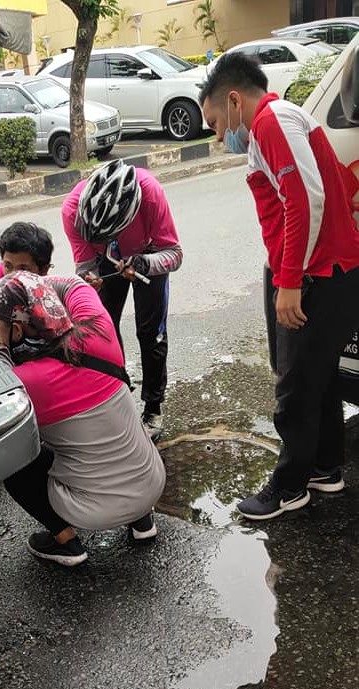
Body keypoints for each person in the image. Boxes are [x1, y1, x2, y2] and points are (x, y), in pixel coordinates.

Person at [199, 52, 359, 521]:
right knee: (319, 375)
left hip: (318, 274)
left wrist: (289, 282)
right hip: (323, 269)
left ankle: (289, 487)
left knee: (293, 385)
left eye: (213, 121)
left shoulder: (271, 121)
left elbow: (304, 200)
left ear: (232, 99)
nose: (216, 133)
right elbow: (332, 192)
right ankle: (325, 468)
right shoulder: (279, 123)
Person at [0, 271, 166, 566]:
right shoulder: (99, 330)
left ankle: (65, 543)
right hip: (153, 483)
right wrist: (23, 295)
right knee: (114, 428)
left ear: (16, 331)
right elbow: (72, 283)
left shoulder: (22, 382)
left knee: (10, 457)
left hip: (93, 511)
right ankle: (141, 521)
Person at [61, 159, 183, 440]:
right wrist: (91, 279)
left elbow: (174, 255)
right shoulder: (71, 211)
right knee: (102, 330)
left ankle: (153, 406)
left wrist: (141, 264)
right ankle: (117, 397)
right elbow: (85, 267)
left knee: (150, 333)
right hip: (105, 261)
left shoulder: (149, 192)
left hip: (149, 253)